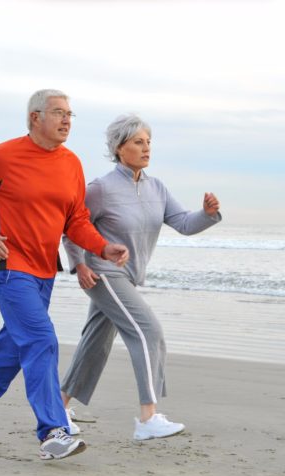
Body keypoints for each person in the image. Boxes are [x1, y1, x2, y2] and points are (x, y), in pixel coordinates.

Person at [0, 89, 129, 460]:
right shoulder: (1, 157)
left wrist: (102, 247)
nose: (66, 120)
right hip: (5, 265)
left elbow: (76, 219)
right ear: (35, 118)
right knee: (41, 338)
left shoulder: (71, 163)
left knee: (18, 341)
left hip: (43, 267)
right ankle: (53, 431)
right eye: (59, 113)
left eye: (70, 114)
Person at [61, 113, 221, 441]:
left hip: (129, 277)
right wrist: (79, 265)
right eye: (138, 142)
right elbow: (72, 228)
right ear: (120, 148)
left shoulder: (157, 187)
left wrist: (206, 214)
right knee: (148, 331)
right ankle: (148, 417)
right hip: (103, 274)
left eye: (148, 142)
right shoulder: (101, 189)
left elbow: (184, 224)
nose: (146, 148)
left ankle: (56, 405)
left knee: (96, 342)